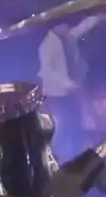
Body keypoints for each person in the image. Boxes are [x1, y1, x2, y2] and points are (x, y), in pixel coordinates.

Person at [38, 15, 104, 158]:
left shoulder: (66, 37)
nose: (68, 26)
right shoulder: (47, 46)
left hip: (70, 92)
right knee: (67, 125)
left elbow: (80, 29)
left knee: (77, 120)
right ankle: (65, 156)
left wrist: (99, 16)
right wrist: (74, 86)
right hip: (59, 95)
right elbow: (51, 73)